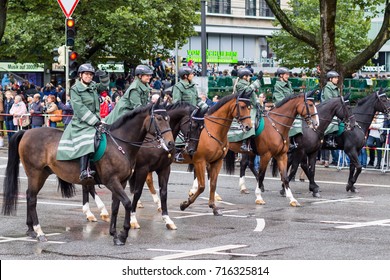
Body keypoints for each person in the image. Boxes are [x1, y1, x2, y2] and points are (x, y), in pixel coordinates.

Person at [57, 63, 102, 182]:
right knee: (87, 140)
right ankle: (83, 171)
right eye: (86, 74)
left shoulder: (93, 86)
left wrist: (104, 76)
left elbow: (104, 86)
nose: (89, 76)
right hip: (81, 122)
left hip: (96, 120)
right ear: (81, 75)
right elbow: (80, 108)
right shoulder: (75, 89)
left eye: (91, 75)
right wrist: (94, 121)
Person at [172, 66, 208, 161]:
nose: (193, 75)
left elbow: (197, 99)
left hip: (193, 113)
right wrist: (187, 110)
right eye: (191, 74)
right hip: (181, 115)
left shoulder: (192, 85)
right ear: (185, 76)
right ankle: (178, 150)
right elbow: (177, 103)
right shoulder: (178, 87)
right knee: (183, 127)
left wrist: (204, 106)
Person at [272, 67, 301, 149]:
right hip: (282, 110)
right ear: (281, 75)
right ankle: (289, 140)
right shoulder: (278, 86)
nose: (288, 76)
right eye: (286, 74)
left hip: (290, 110)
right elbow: (280, 100)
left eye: (288, 74)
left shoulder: (289, 84)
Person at [233, 68, 261, 151]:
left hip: (253, 106)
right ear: (244, 76)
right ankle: (244, 143)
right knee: (250, 122)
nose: (250, 77)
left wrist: (258, 103)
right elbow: (247, 92)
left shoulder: (248, 84)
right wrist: (256, 83)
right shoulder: (239, 84)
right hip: (244, 107)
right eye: (249, 76)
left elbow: (253, 95)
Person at [321, 70, 341, 167]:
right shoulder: (327, 88)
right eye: (335, 78)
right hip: (328, 111)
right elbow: (330, 100)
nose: (337, 79)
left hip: (336, 110)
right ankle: (329, 138)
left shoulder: (337, 88)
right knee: (332, 124)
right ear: (330, 79)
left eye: (337, 78)